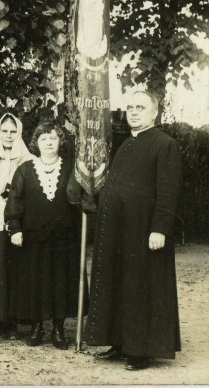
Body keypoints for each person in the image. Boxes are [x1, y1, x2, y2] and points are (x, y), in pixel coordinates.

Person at [85, 91, 182, 371]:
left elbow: (168, 192)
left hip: (144, 232)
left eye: (141, 107)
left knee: (140, 288)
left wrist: (160, 229)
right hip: (119, 232)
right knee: (119, 284)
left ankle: (140, 351)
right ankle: (120, 342)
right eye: (130, 107)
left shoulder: (165, 145)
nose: (134, 112)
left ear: (155, 113)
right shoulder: (126, 143)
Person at [6, 120, 84, 350]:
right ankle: (37, 327)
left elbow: (83, 197)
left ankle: (58, 329)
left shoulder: (72, 168)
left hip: (63, 237)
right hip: (33, 237)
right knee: (35, 281)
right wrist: (15, 228)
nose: (49, 142)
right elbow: (14, 201)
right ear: (36, 143)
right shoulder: (25, 170)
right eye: (43, 138)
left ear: (60, 142)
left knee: (60, 282)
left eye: (53, 138)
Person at [0, 113, 33, 338]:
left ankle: (13, 321)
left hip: (19, 224)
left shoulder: (29, 161)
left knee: (16, 271)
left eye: (13, 131)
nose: (9, 135)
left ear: (19, 133)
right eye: (5, 131)